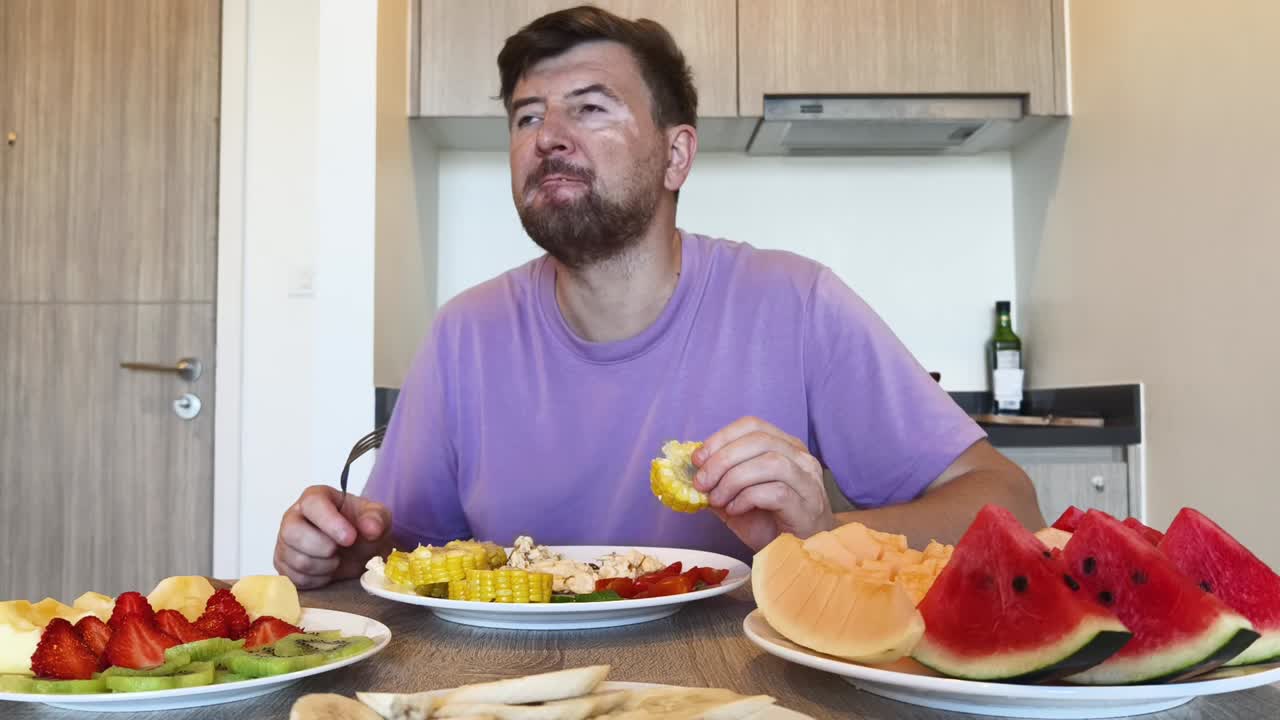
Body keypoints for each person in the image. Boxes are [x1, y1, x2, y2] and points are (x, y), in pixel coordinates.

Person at [273, 6, 1044, 589]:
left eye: (590, 107)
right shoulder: (465, 334)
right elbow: (397, 553)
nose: (547, 135)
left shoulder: (795, 302)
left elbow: (1008, 502)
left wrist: (826, 531)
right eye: (527, 116)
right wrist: (339, 549)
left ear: (676, 155)